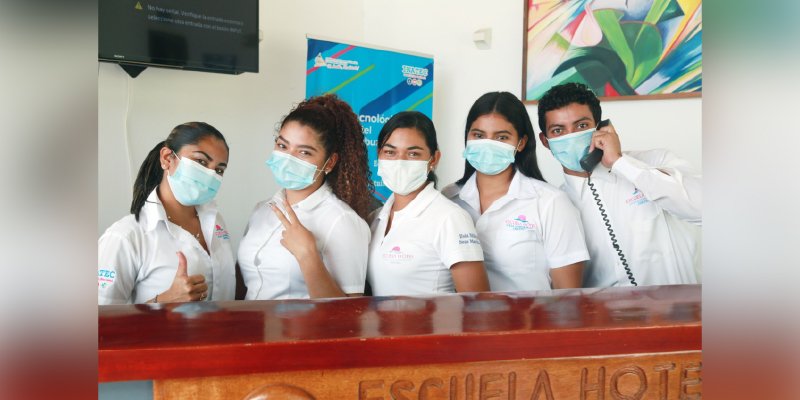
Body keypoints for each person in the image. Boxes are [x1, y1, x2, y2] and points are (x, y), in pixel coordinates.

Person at [537, 82, 701, 287]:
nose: (571, 137)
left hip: (681, 310)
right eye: (559, 130)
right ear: (545, 141)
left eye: (581, 126)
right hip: (607, 315)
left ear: (601, 128)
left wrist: (620, 163)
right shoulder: (553, 206)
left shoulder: (656, 161)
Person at [442, 92, 589, 291]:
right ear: (467, 138)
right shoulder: (449, 199)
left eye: (501, 137)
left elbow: (568, 297)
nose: (488, 144)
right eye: (478, 135)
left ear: (521, 143)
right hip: (466, 320)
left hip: (533, 320)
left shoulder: (551, 202)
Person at [237, 94, 372, 299]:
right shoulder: (262, 210)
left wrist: (308, 256)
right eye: (282, 146)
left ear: (329, 162)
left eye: (304, 152)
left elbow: (350, 314)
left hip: (300, 332)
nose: (288, 158)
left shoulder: (342, 221)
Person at [98, 122, 235, 304]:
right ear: (167, 158)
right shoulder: (126, 237)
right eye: (201, 162)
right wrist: (162, 301)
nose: (210, 175)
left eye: (219, 169)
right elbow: (101, 323)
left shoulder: (216, 222)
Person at [367, 111, 490, 296]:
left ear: (433, 159)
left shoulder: (450, 218)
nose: (400, 161)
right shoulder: (376, 218)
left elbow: (479, 303)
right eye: (390, 152)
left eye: (413, 153)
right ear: (379, 156)